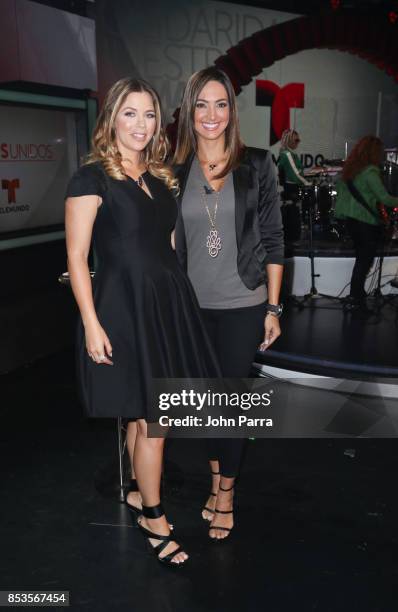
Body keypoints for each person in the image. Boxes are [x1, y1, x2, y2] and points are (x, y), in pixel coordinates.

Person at [65, 77, 220, 566]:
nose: (140, 124)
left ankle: (137, 493)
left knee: (143, 409)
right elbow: (76, 255)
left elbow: (169, 247)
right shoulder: (90, 178)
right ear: (112, 118)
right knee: (158, 419)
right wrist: (91, 323)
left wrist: (182, 306)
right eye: (129, 113)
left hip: (166, 304)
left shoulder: (162, 177)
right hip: (121, 307)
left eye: (149, 114)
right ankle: (154, 518)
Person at [173, 67, 284, 540]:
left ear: (231, 112)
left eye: (220, 104)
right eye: (202, 104)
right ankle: (217, 478)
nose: (211, 115)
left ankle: (226, 493)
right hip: (192, 306)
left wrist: (274, 309)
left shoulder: (257, 164)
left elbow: (276, 240)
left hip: (243, 302)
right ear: (190, 112)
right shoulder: (174, 170)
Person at [335, 135, 398, 312]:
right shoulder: (370, 171)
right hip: (365, 222)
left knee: (361, 260)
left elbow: (341, 193)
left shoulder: (350, 169)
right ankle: (356, 297)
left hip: (351, 222)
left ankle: (357, 294)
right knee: (364, 261)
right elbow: (384, 198)